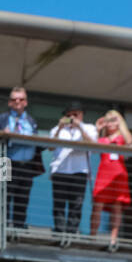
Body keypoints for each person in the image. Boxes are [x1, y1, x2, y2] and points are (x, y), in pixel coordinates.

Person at [0, 87, 39, 230]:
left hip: (26, 164)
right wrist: (0, 132)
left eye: (21, 99)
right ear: (9, 103)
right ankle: (2, 226)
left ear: (26, 102)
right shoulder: (1, 119)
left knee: (23, 198)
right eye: (14, 99)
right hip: (5, 162)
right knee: (4, 196)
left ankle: (18, 227)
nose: (17, 102)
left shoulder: (31, 121)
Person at [47, 101, 96, 235]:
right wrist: (59, 128)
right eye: (70, 115)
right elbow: (50, 147)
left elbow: (93, 145)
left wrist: (79, 128)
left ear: (82, 115)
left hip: (79, 171)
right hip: (60, 171)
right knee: (59, 203)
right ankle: (59, 231)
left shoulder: (89, 128)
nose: (72, 118)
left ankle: (72, 232)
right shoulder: (57, 129)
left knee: (76, 204)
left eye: (76, 115)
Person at [90, 109, 132, 248]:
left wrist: (120, 125)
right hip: (104, 174)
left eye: (113, 120)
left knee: (117, 207)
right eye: (108, 121)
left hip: (118, 174)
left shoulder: (122, 137)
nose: (110, 124)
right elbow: (93, 148)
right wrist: (98, 129)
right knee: (98, 206)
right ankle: (92, 237)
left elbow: (130, 142)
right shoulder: (102, 139)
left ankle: (113, 238)